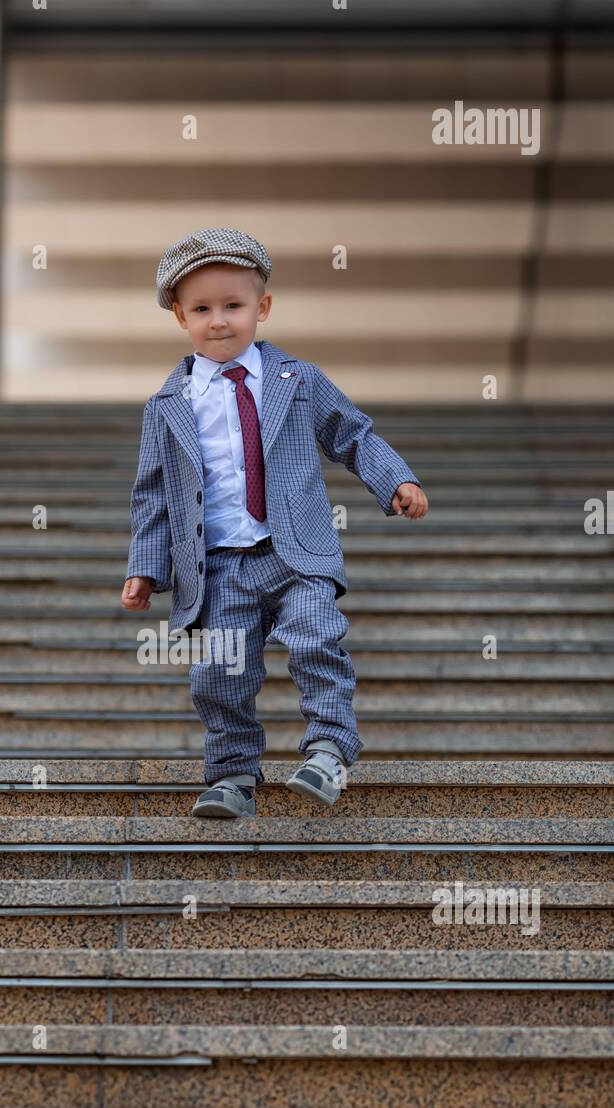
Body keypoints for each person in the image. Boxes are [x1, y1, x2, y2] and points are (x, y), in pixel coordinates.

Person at [122, 228, 428, 818]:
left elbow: (352, 434)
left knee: (316, 637)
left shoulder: (298, 380)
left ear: (262, 308)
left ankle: (329, 749)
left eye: (233, 306)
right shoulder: (167, 406)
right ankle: (233, 773)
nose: (219, 321)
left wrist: (395, 480)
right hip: (217, 567)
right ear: (180, 318)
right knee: (219, 673)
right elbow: (153, 495)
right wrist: (144, 567)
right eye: (202, 309)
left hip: (294, 552)